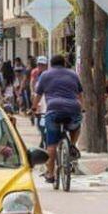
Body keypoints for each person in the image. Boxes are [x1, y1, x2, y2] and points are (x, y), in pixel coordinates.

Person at [34, 53, 84, 184]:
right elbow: (80, 95)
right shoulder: (73, 74)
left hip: (53, 110)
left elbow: (38, 95)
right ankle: (72, 145)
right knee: (76, 125)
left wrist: (33, 108)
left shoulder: (45, 75)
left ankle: (50, 174)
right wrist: (82, 108)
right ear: (64, 64)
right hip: (73, 109)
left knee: (51, 145)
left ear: (51, 64)